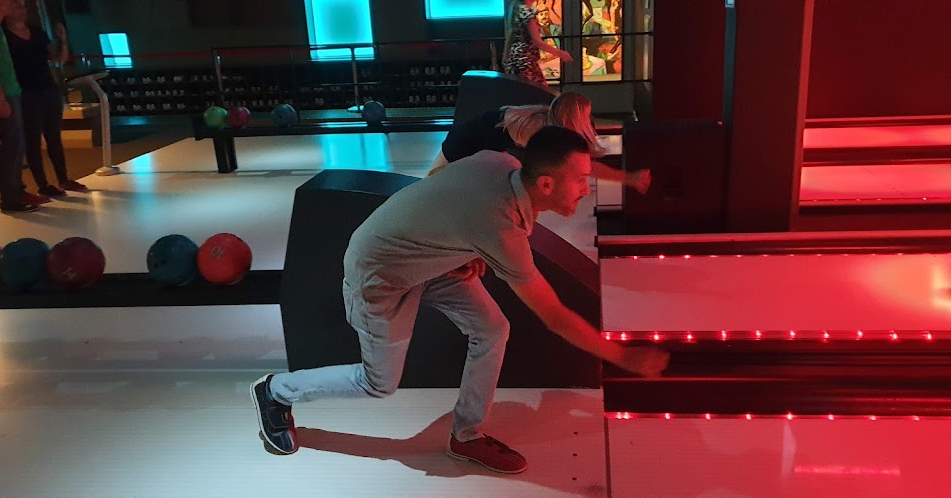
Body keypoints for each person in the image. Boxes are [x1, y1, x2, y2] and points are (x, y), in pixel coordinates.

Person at [252, 126, 670, 473]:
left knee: (492, 329)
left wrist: (455, 244)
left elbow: (440, 182)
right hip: (380, 276)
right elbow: (554, 316)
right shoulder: (501, 227)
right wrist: (623, 357)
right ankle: (275, 392)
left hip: (426, 263)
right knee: (377, 384)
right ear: (546, 184)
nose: (585, 188)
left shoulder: (502, 162)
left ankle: (466, 437)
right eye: (579, 181)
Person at [429, 92, 651, 194]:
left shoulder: (546, 118)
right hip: (457, 155)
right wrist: (628, 178)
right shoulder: (540, 134)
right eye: (586, 118)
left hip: (461, 143)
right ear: (573, 120)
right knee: (435, 192)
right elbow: (584, 165)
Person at [4, 0, 86, 197]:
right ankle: (42, 184)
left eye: (23, 6)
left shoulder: (37, 32)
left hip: (48, 88)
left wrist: (63, 41)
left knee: (54, 136)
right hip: (26, 92)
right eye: (17, 6)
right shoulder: (4, 36)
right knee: (32, 139)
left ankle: (63, 178)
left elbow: (57, 60)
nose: (22, 9)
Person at [0, 0, 43, 212]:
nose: (14, 4)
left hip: (12, 91)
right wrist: (0, 98)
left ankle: (16, 190)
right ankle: (11, 198)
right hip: (5, 93)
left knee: (17, 144)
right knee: (12, 145)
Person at [503, 0, 572, 87]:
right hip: (526, 60)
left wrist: (505, 56)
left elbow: (511, 35)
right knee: (539, 91)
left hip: (517, 59)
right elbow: (538, 42)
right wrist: (561, 53)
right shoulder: (527, 13)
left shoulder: (518, 9)